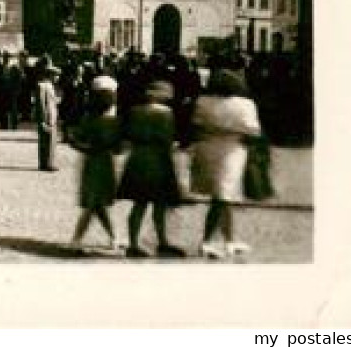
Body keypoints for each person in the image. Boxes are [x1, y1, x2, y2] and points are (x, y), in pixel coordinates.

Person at [191, 69, 263, 259]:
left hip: (207, 148)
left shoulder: (202, 102)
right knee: (223, 196)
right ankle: (208, 241)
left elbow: (195, 124)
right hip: (232, 150)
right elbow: (254, 130)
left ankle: (229, 239)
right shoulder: (246, 104)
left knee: (223, 196)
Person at [116, 80, 186, 258]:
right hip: (159, 159)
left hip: (138, 158)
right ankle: (162, 241)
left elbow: (127, 134)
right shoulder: (166, 113)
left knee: (139, 203)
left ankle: (133, 243)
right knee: (160, 204)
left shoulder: (135, 111)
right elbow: (167, 138)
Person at [68, 75, 122, 254]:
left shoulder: (88, 118)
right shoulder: (112, 122)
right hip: (104, 164)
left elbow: (75, 140)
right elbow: (117, 148)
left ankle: (112, 237)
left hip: (91, 164)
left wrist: (84, 146)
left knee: (96, 205)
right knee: (95, 205)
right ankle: (77, 240)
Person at [33, 59, 61, 171]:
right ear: (50, 75)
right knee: (46, 141)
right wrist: (42, 120)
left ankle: (48, 162)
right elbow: (40, 103)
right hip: (46, 117)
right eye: (55, 75)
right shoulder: (42, 85)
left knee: (51, 140)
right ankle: (46, 163)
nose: (57, 78)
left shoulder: (49, 85)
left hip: (52, 116)